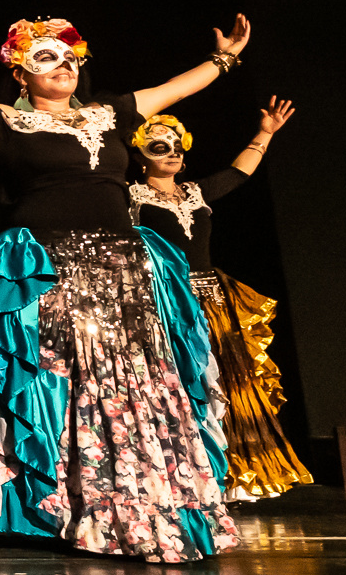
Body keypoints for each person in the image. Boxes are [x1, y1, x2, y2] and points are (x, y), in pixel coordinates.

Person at [0, 10, 249, 562]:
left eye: (70, 58)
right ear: (20, 73)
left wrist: (224, 59)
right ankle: (66, 508)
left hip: (123, 273)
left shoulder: (112, 113)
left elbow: (176, 88)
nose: (63, 66)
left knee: (133, 383)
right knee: (63, 384)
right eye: (46, 57)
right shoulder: (4, 121)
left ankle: (141, 502)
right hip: (53, 271)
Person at [130, 98, 310, 500]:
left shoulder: (196, 193)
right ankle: (187, 477)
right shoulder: (131, 200)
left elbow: (238, 172)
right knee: (183, 384)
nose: (172, 152)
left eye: (178, 145)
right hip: (167, 304)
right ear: (139, 156)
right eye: (159, 146)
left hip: (212, 301)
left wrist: (265, 133)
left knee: (229, 384)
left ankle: (234, 479)